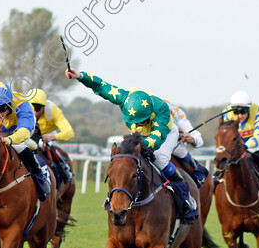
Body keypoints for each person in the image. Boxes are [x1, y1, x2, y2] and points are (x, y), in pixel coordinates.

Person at [66, 68, 198, 223]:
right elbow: (101, 86)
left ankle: (184, 195)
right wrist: (80, 76)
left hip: (166, 134)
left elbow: (155, 140)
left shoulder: (161, 110)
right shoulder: (124, 98)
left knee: (160, 158)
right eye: (135, 121)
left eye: (142, 121)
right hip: (140, 137)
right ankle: (115, 197)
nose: (137, 124)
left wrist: (136, 146)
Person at [0, 81, 49, 201]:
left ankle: (40, 180)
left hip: (20, 128)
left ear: (9, 104)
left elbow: (24, 131)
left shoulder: (22, 103)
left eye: (1, 109)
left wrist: (8, 140)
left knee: (19, 147)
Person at [222, 90, 259, 193]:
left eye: (243, 112)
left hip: (252, 144)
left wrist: (246, 146)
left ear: (249, 109)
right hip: (234, 145)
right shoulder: (227, 114)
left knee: (258, 157)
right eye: (236, 112)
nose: (239, 116)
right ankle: (216, 179)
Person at [28, 88, 74, 184]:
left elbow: (69, 132)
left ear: (44, 106)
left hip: (47, 134)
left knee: (47, 148)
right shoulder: (23, 108)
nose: (35, 112)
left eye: (38, 108)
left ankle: (65, 171)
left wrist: (51, 137)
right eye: (33, 108)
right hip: (30, 132)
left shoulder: (53, 110)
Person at [167, 103, 210, 186]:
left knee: (179, 151)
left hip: (175, 147)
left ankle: (197, 175)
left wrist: (193, 140)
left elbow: (198, 138)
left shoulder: (177, 116)